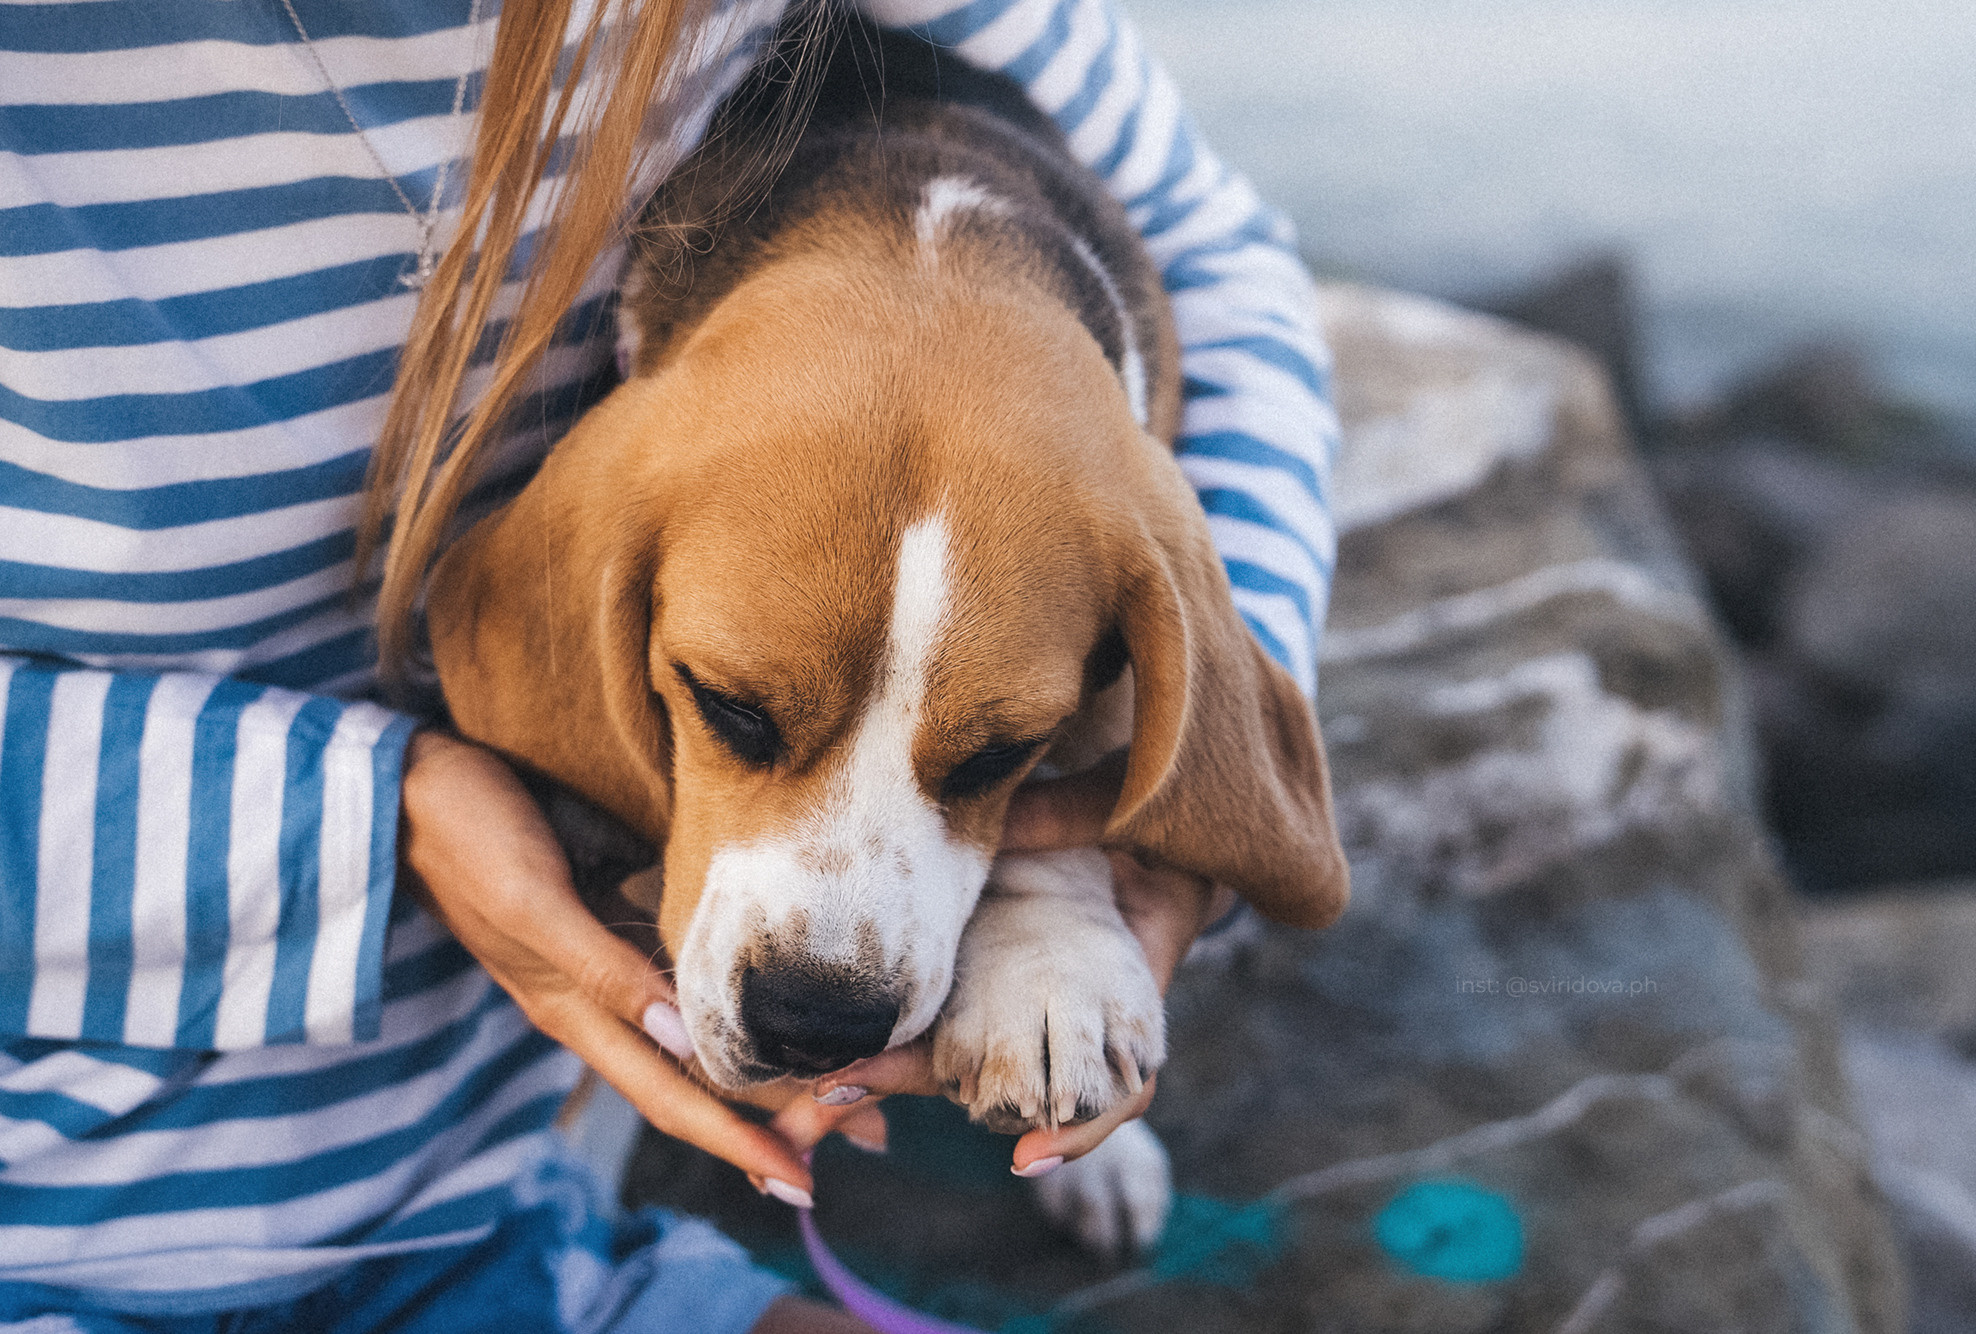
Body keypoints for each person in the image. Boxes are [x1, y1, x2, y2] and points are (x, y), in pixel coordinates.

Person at [0, 0, 1339, 1330]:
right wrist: (378, 816)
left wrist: (1090, 874)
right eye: (742, 715)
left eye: (987, 752)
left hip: (502, 1213)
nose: (841, 955)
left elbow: (1211, 250)